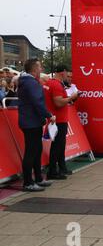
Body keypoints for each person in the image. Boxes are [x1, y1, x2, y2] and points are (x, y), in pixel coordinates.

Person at [17, 59, 55, 192]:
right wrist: (49, 115)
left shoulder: (26, 81)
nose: (41, 69)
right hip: (31, 122)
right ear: (34, 69)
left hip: (31, 121)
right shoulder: (31, 83)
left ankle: (38, 178)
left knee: (36, 150)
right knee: (31, 152)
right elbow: (37, 102)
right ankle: (28, 182)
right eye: (40, 67)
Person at [44, 64, 79, 179]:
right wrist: (71, 97)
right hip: (58, 119)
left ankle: (61, 168)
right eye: (67, 74)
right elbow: (58, 103)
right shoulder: (56, 85)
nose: (68, 76)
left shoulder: (50, 83)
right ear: (63, 72)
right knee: (57, 146)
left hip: (56, 118)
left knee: (59, 145)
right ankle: (53, 171)